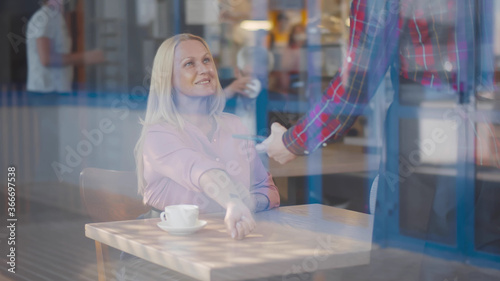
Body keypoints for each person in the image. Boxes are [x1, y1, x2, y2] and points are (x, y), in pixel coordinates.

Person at [256, 0, 499, 279]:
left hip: (426, 123)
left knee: (411, 256)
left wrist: (292, 141)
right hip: (490, 124)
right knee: (485, 252)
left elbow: (355, 85)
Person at [134, 34, 280, 240]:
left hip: (228, 240)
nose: (204, 69)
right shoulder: (159, 133)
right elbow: (202, 171)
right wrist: (233, 201)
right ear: (168, 79)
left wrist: (250, 202)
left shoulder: (234, 125)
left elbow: (268, 190)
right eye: (189, 64)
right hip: (167, 248)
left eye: (206, 60)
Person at [26, 0, 105, 94]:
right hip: (46, 93)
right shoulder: (45, 18)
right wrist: (84, 58)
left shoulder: (57, 17)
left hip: (57, 90)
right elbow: (46, 59)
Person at [222, 46, 274, 134]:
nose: (254, 81)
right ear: (237, 72)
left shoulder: (274, 101)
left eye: (261, 77)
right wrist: (225, 94)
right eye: (249, 74)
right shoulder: (221, 89)